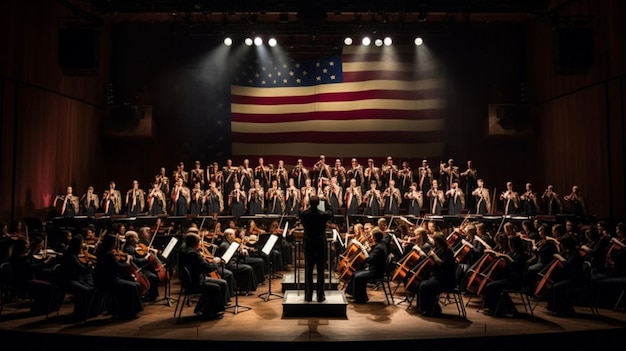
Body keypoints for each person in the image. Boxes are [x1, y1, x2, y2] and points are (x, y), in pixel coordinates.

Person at [93, 234, 144, 320]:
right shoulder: (108, 254)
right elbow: (120, 266)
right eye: (115, 242)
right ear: (112, 243)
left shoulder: (102, 252)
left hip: (107, 279)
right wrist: (127, 261)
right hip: (110, 281)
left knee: (136, 285)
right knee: (133, 286)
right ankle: (129, 312)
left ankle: (128, 310)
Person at [177, 233, 227, 320]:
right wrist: (215, 262)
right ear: (194, 242)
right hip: (195, 282)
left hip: (193, 279)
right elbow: (207, 268)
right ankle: (211, 313)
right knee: (215, 287)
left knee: (223, 283)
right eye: (199, 241)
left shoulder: (184, 251)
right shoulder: (193, 254)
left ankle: (203, 309)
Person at [482, 235, 530, 316]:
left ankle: (496, 309)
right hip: (509, 278)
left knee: (491, 286)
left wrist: (506, 257)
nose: (509, 245)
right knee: (492, 284)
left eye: (511, 243)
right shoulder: (513, 253)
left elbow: (515, 265)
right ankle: (501, 308)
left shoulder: (521, 255)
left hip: (514, 281)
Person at [57, 234, 101, 321]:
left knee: (94, 289)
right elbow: (80, 268)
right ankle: (79, 314)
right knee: (86, 290)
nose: (83, 245)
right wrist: (88, 265)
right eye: (82, 243)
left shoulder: (75, 254)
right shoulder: (71, 256)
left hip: (77, 278)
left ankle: (88, 312)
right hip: (68, 280)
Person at [299, 195, 333, 302]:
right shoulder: (323, 215)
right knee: (320, 271)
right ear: (319, 204)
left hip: (309, 244)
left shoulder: (304, 214)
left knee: (308, 270)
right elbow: (331, 213)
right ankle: (320, 295)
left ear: (309, 203)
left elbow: (300, 212)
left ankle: (308, 295)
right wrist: (327, 202)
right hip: (320, 244)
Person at [417, 232, 457, 317]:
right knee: (422, 284)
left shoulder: (447, 251)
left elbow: (442, 264)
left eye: (434, 241)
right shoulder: (438, 249)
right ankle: (431, 309)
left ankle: (430, 309)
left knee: (425, 286)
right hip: (437, 277)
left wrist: (433, 255)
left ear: (438, 241)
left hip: (446, 280)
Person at [345, 228, 388, 303]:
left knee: (357, 276)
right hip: (375, 269)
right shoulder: (381, 244)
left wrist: (365, 256)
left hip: (376, 272)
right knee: (355, 273)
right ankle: (356, 295)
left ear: (375, 238)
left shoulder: (379, 248)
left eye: (372, 236)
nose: (371, 238)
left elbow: (371, 259)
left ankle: (360, 299)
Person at [215, 228, 259, 294]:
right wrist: (239, 252)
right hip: (228, 265)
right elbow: (227, 259)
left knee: (248, 267)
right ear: (228, 236)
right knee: (248, 268)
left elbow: (234, 255)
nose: (235, 236)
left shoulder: (230, 243)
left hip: (234, 262)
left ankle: (245, 288)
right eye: (233, 234)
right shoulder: (225, 245)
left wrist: (241, 253)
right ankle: (244, 289)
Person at [123, 231, 159, 302]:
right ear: (131, 239)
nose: (138, 238)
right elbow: (136, 261)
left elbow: (141, 253)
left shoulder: (135, 246)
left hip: (142, 267)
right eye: (136, 237)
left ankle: (152, 294)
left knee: (154, 271)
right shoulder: (128, 249)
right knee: (153, 277)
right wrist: (146, 257)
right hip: (137, 269)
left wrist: (148, 250)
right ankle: (151, 296)